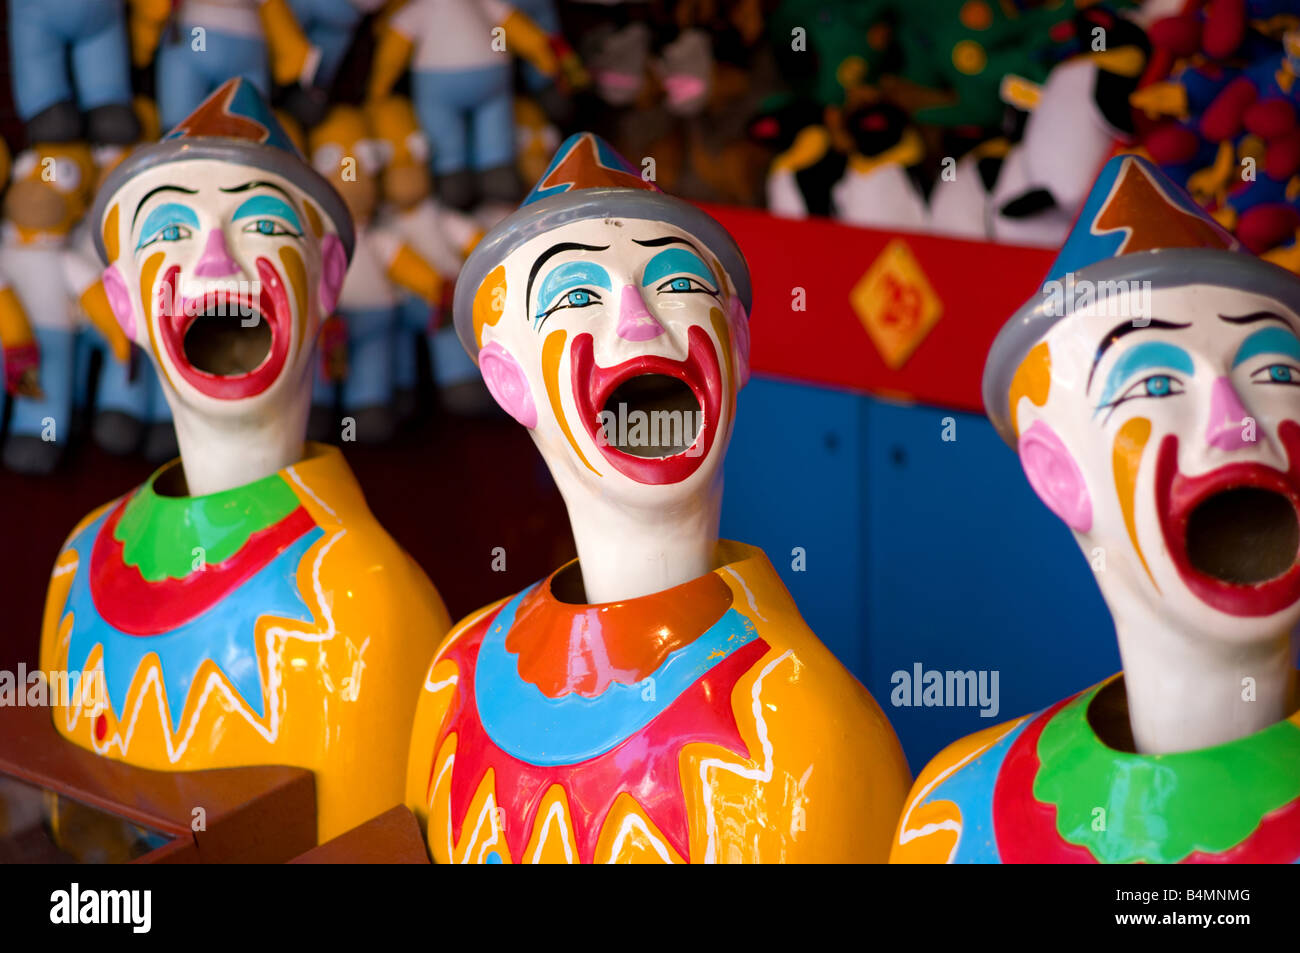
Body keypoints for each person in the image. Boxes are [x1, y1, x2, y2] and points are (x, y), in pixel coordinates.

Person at [404, 132, 910, 863]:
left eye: (677, 284)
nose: (639, 323)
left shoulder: (805, 726)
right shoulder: (456, 674)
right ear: (506, 379)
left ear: (736, 348)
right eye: (577, 295)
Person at [38, 79, 450, 843]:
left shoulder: (363, 600)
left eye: (259, 223)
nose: (217, 265)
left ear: (327, 278)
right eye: (171, 232)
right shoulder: (77, 564)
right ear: (122, 300)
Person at [893, 154, 1300, 863]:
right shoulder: (954, 820)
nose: (1234, 425)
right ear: (1058, 474)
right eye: (1154, 382)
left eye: (1275, 372)